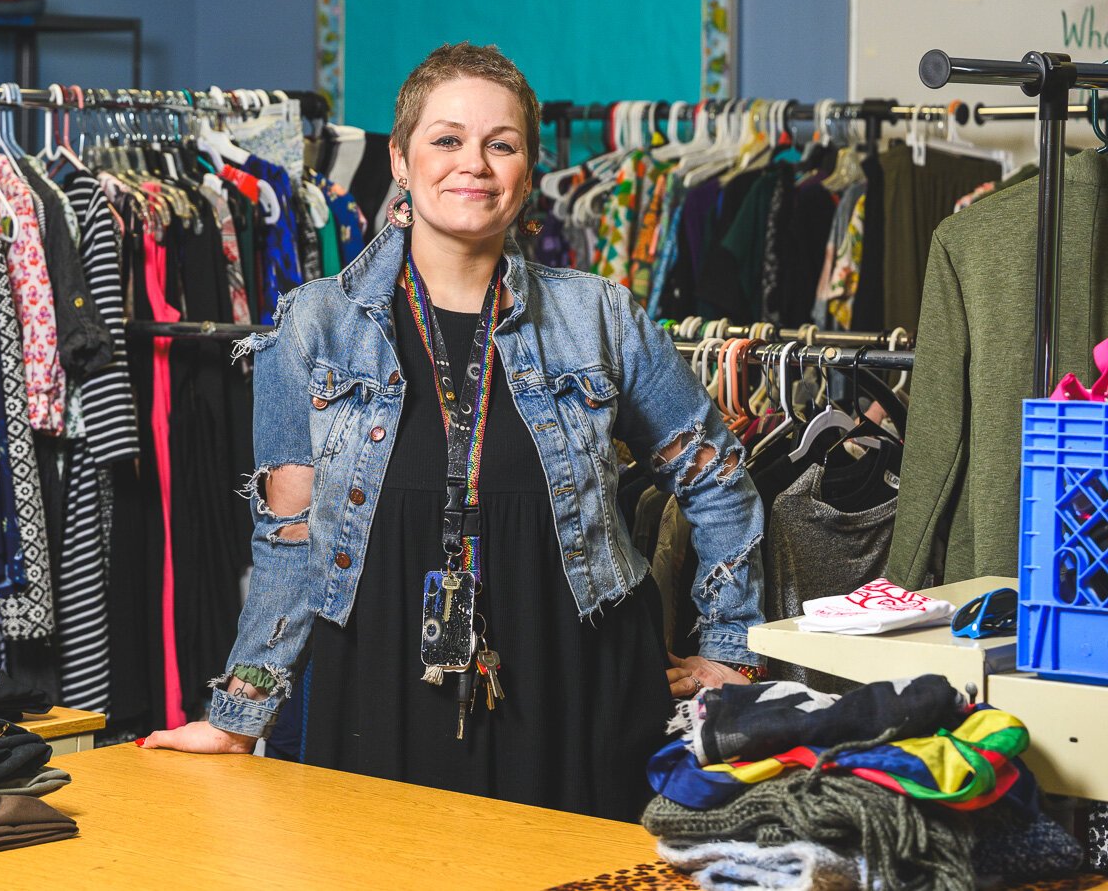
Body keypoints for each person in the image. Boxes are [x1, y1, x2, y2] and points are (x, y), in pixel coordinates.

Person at [143, 43, 765, 819]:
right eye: (446, 140)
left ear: (527, 170)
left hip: (575, 685)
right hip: (374, 682)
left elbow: (717, 478)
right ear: (400, 160)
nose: (473, 163)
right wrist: (238, 716)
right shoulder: (315, 325)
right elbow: (288, 542)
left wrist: (733, 649)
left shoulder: (601, 316)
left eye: (500, 144)